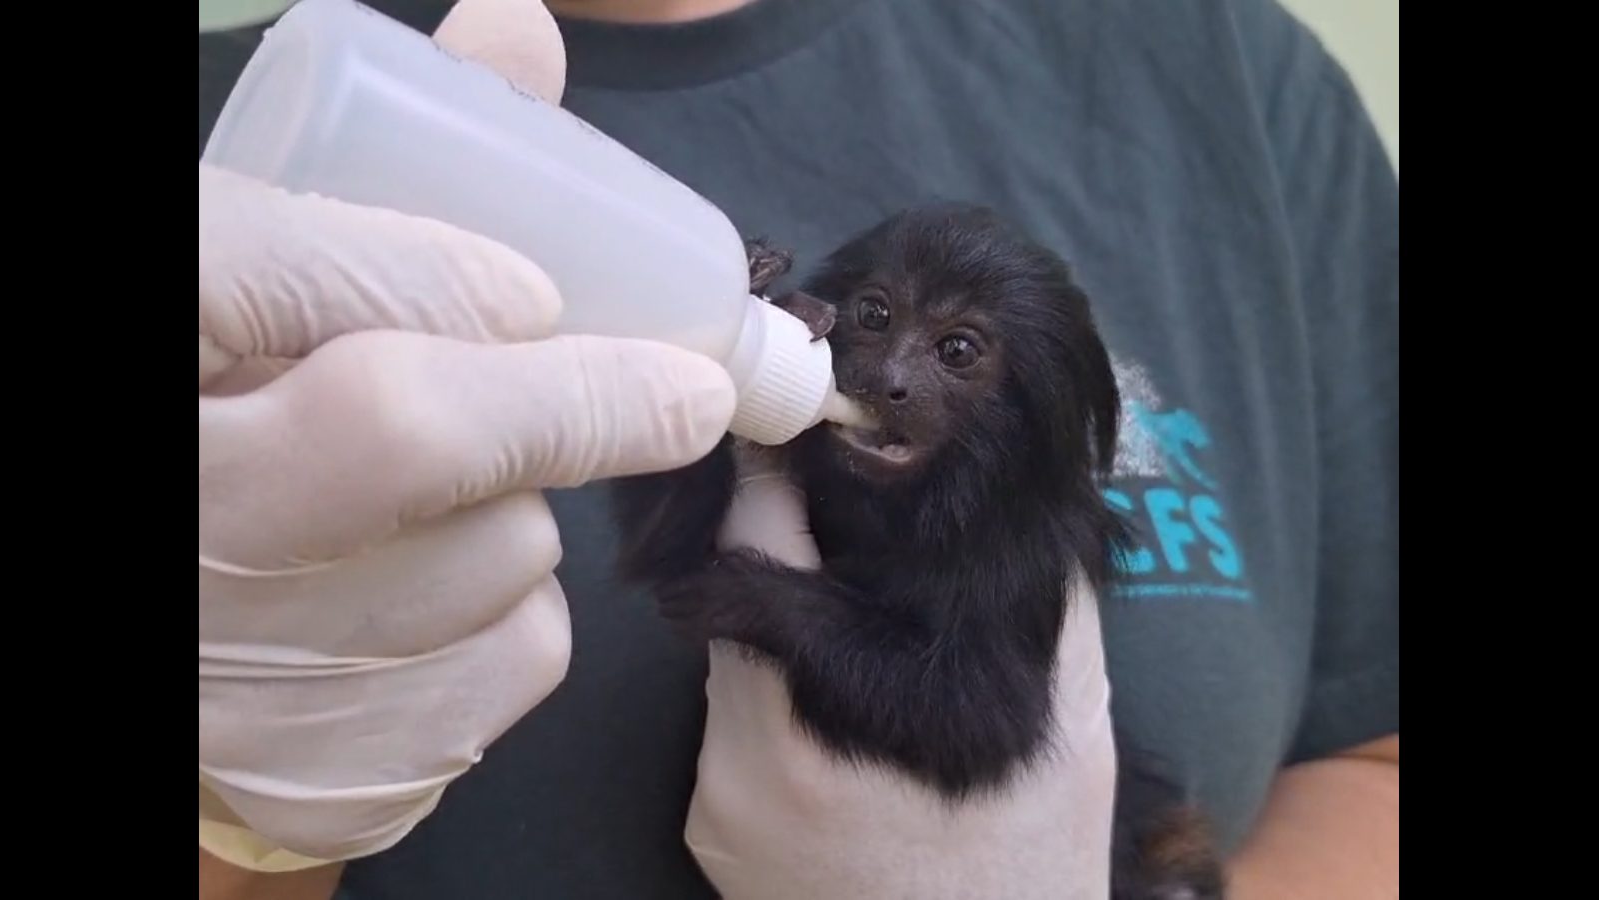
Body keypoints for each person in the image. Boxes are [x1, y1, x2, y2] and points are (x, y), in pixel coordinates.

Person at [197, 0, 1398, 897]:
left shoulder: (1220, 67)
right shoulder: (242, 180)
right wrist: (237, 816)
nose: (885, 374)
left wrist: (781, 608)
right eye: (872, 323)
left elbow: (1373, 768)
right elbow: (678, 531)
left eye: (958, 356)